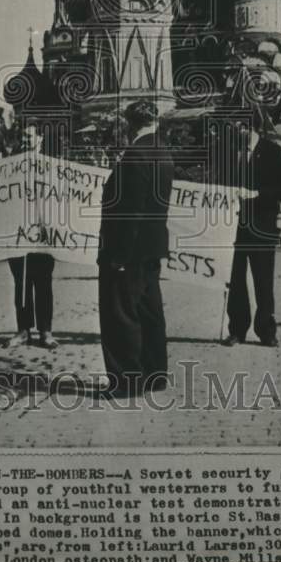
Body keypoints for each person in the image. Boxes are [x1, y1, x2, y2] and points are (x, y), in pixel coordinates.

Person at [97, 99, 174, 397]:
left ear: (130, 124)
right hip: (153, 247)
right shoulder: (163, 153)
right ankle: (155, 375)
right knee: (150, 312)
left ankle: (126, 382)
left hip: (127, 250)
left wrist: (119, 256)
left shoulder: (134, 155)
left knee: (121, 316)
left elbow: (131, 212)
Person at [223, 109, 281, 349]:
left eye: (238, 127)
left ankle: (266, 331)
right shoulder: (228, 152)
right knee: (234, 280)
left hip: (262, 226)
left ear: (250, 128)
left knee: (263, 281)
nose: (235, 131)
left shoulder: (274, 152)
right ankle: (236, 330)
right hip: (232, 227)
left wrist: (258, 195)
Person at [4, 125, 58, 351]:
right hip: (19, 235)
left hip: (45, 236)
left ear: (40, 138)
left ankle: (46, 332)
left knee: (44, 283)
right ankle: (23, 331)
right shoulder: (9, 166)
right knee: (22, 284)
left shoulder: (52, 165)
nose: (25, 141)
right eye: (22, 137)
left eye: (28, 136)